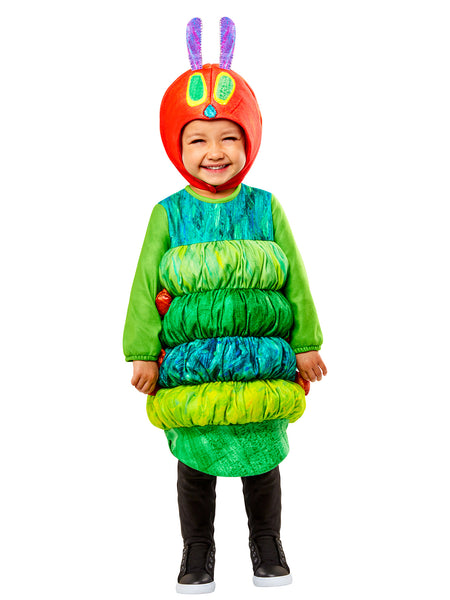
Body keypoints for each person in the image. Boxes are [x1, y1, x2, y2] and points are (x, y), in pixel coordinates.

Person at [123, 17, 327, 594]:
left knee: (262, 459)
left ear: (249, 140)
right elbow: (144, 286)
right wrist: (143, 352)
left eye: (228, 138)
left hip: (260, 361)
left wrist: (306, 343)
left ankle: (267, 543)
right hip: (192, 367)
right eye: (198, 140)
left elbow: (295, 279)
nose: (215, 152)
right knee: (195, 462)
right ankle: (197, 550)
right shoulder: (168, 213)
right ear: (177, 146)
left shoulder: (266, 208)